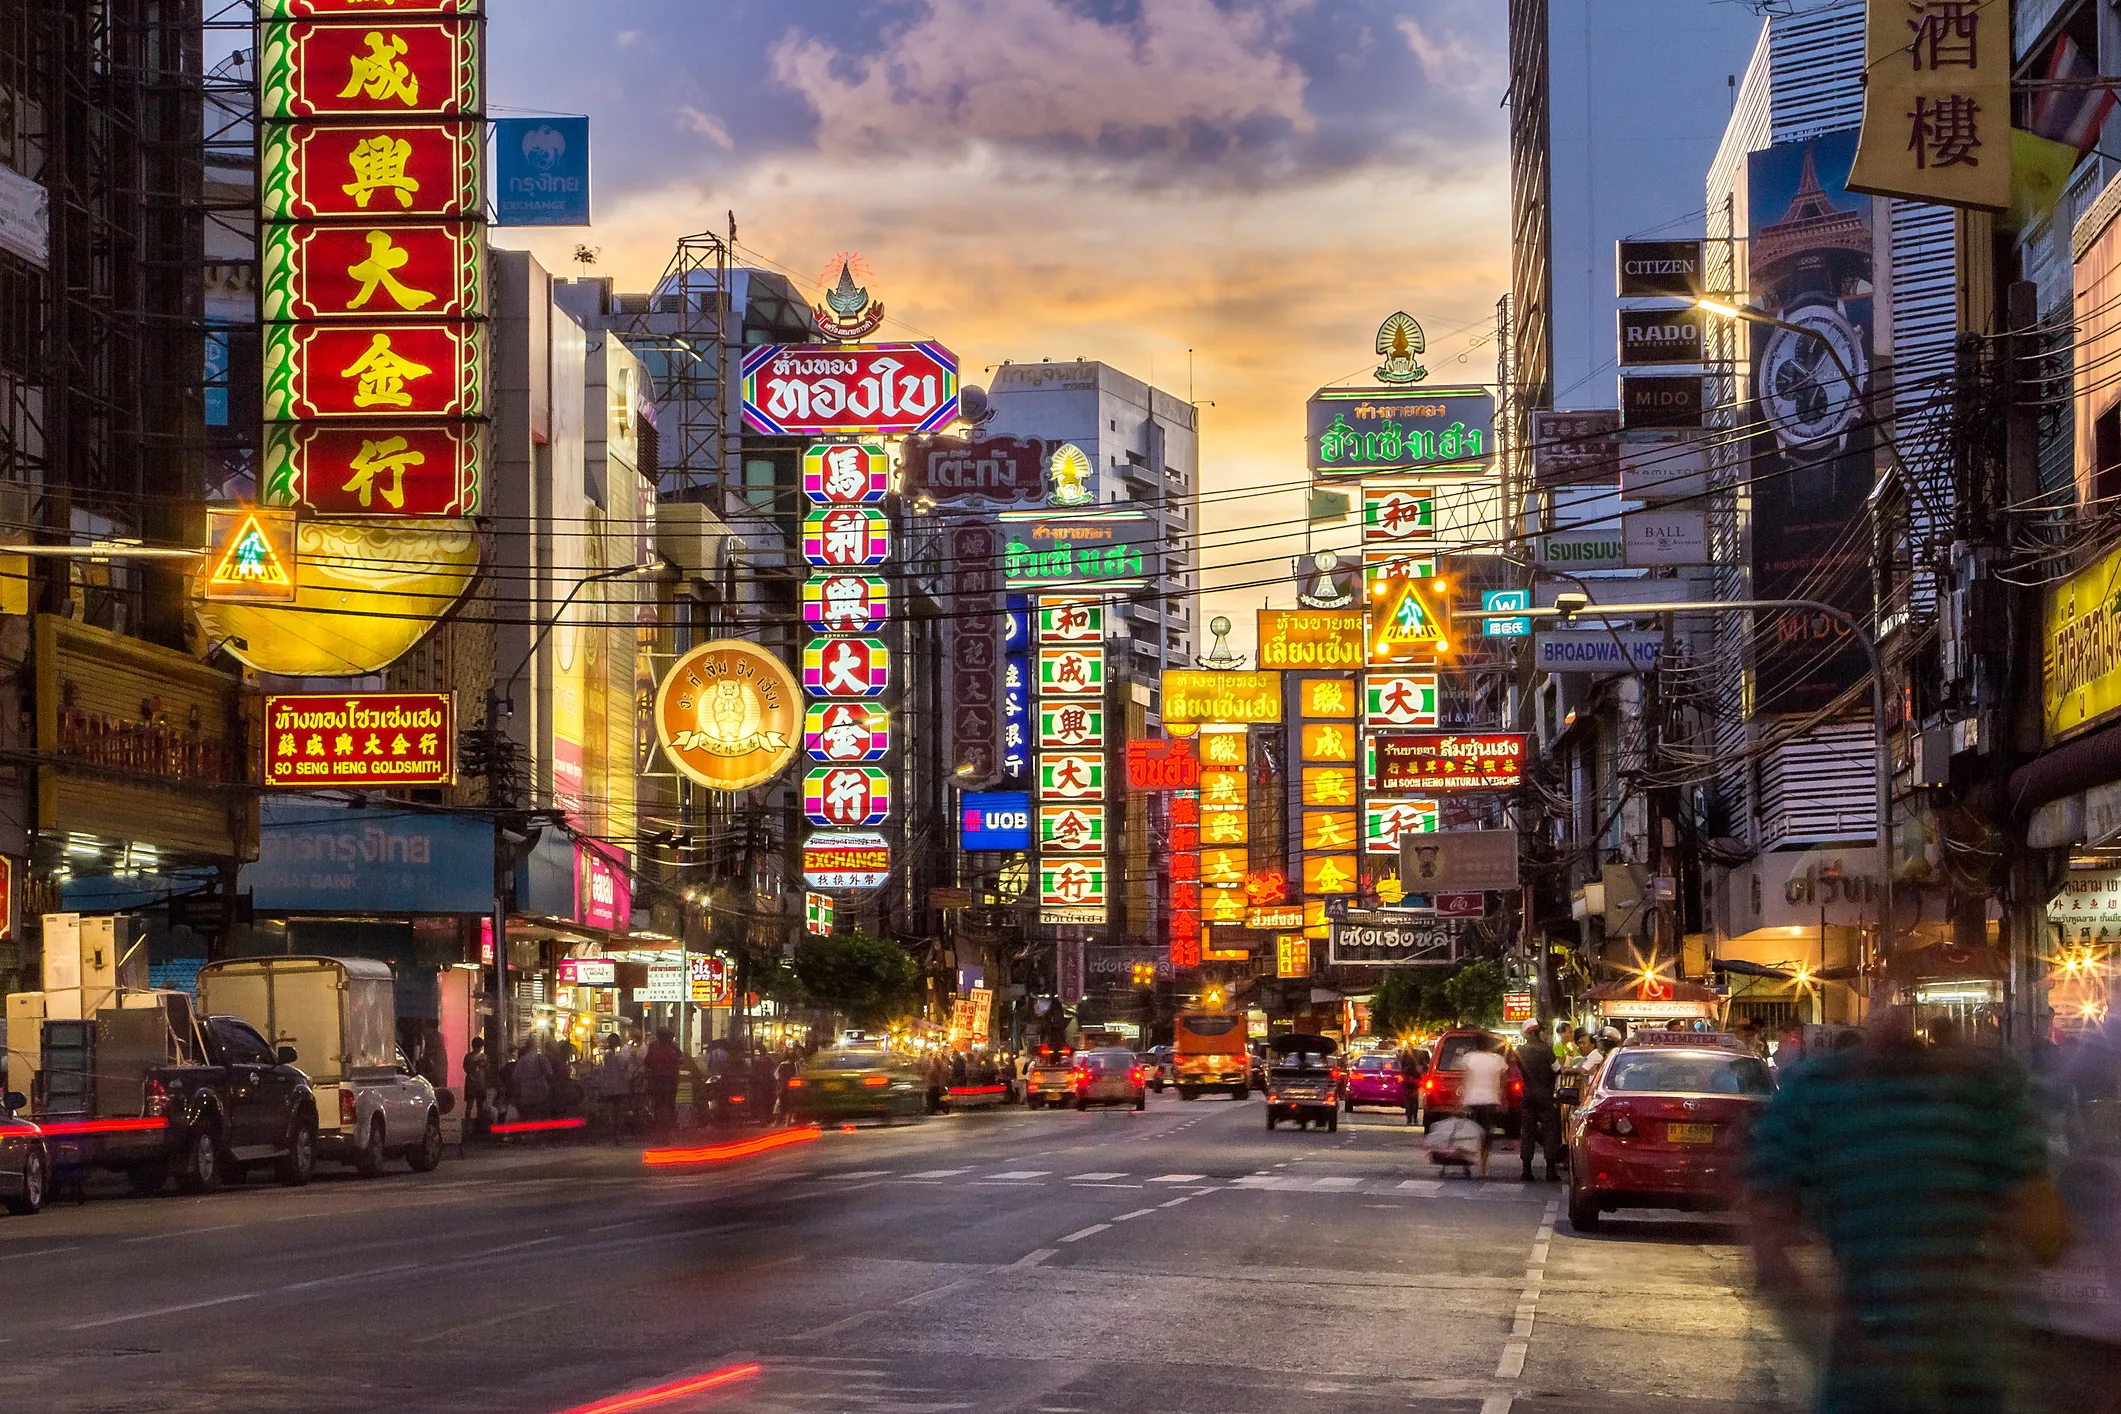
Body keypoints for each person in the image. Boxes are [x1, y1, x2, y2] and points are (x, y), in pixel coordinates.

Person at [1746, 1008, 2064, 1414]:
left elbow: (1767, 1239)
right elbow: (2046, 1239)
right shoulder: (1988, 1091)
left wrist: (1825, 1327)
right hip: (1963, 1359)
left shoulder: (1815, 1091)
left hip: (1865, 1365)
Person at [1455, 1032, 1509, 1178]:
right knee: (1487, 1134)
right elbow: (1503, 1082)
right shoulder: (1497, 1060)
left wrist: (1460, 1100)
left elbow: (1465, 1079)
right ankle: (1483, 1166)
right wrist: (1503, 1099)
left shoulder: (1469, 1058)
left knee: (1470, 1133)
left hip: (1471, 1100)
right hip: (1490, 1100)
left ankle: (1467, 1162)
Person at [1516, 1022, 1562, 1182]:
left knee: (1527, 1131)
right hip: (1545, 1095)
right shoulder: (1546, 1049)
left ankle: (1526, 1170)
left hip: (1528, 1095)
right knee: (1550, 1130)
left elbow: (1518, 1072)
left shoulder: (1520, 1051)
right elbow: (1557, 1069)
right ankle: (1550, 1170)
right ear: (1536, 1033)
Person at [589, 1034, 635, 1142]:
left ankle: (614, 1130)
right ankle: (617, 1131)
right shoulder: (619, 1056)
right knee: (618, 1109)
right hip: (619, 1087)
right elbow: (624, 1067)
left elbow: (604, 1070)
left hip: (610, 1087)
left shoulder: (608, 1056)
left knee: (612, 1109)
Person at [644, 1028, 685, 1133]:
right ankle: (669, 1126)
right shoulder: (673, 1049)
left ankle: (660, 1128)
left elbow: (647, 1063)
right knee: (669, 1105)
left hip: (657, 1082)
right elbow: (681, 1060)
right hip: (670, 1082)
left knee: (658, 1106)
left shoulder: (653, 1048)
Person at [509, 1039, 552, 1123]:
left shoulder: (522, 1061)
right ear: (535, 1046)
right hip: (541, 1094)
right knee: (540, 1119)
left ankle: (527, 1133)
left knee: (527, 1119)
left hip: (526, 1094)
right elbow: (549, 1074)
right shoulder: (541, 1058)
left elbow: (515, 1078)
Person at [461, 1036, 491, 1136]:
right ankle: (471, 1128)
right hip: (475, 1083)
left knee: (478, 1106)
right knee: (472, 1105)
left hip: (477, 1083)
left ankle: (476, 1128)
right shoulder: (472, 1057)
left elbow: (486, 1069)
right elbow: (466, 1068)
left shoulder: (480, 1057)